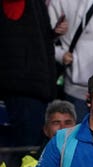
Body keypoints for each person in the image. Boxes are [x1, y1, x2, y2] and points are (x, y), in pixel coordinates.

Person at [0, 0, 58, 150]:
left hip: (33, 87)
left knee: (30, 152)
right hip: (23, 88)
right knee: (26, 151)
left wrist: (53, 33)